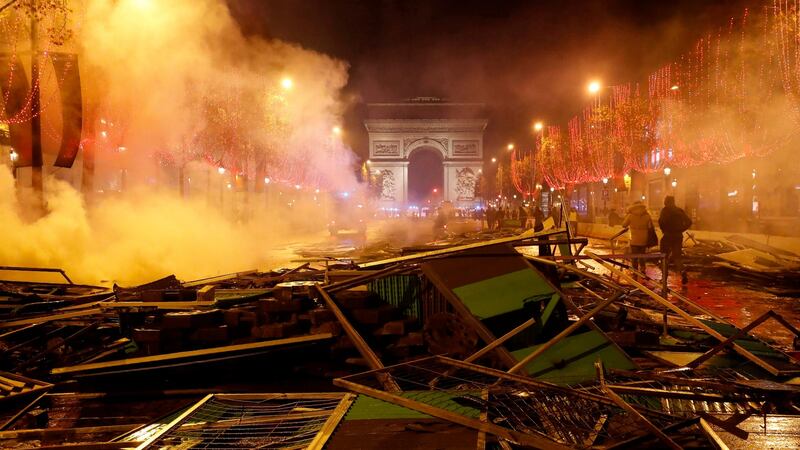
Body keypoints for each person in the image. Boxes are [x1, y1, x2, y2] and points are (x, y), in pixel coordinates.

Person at [658, 195, 692, 284]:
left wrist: (664, 230)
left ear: (666, 201)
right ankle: (682, 271)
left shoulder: (665, 211)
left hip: (668, 236)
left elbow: (661, 222)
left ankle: (664, 277)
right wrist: (681, 229)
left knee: (664, 257)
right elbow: (689, 222)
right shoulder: (679, 210)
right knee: (677, 257)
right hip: (678, 236)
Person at [621, 201, 653, 274]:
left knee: (634, 256)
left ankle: (635, 270)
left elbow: (624, 225)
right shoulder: (647, 216)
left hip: (634, 240)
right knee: (642, 255)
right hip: (644, 239)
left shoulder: (630, 216)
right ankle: (642, 268)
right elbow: (650, 227)